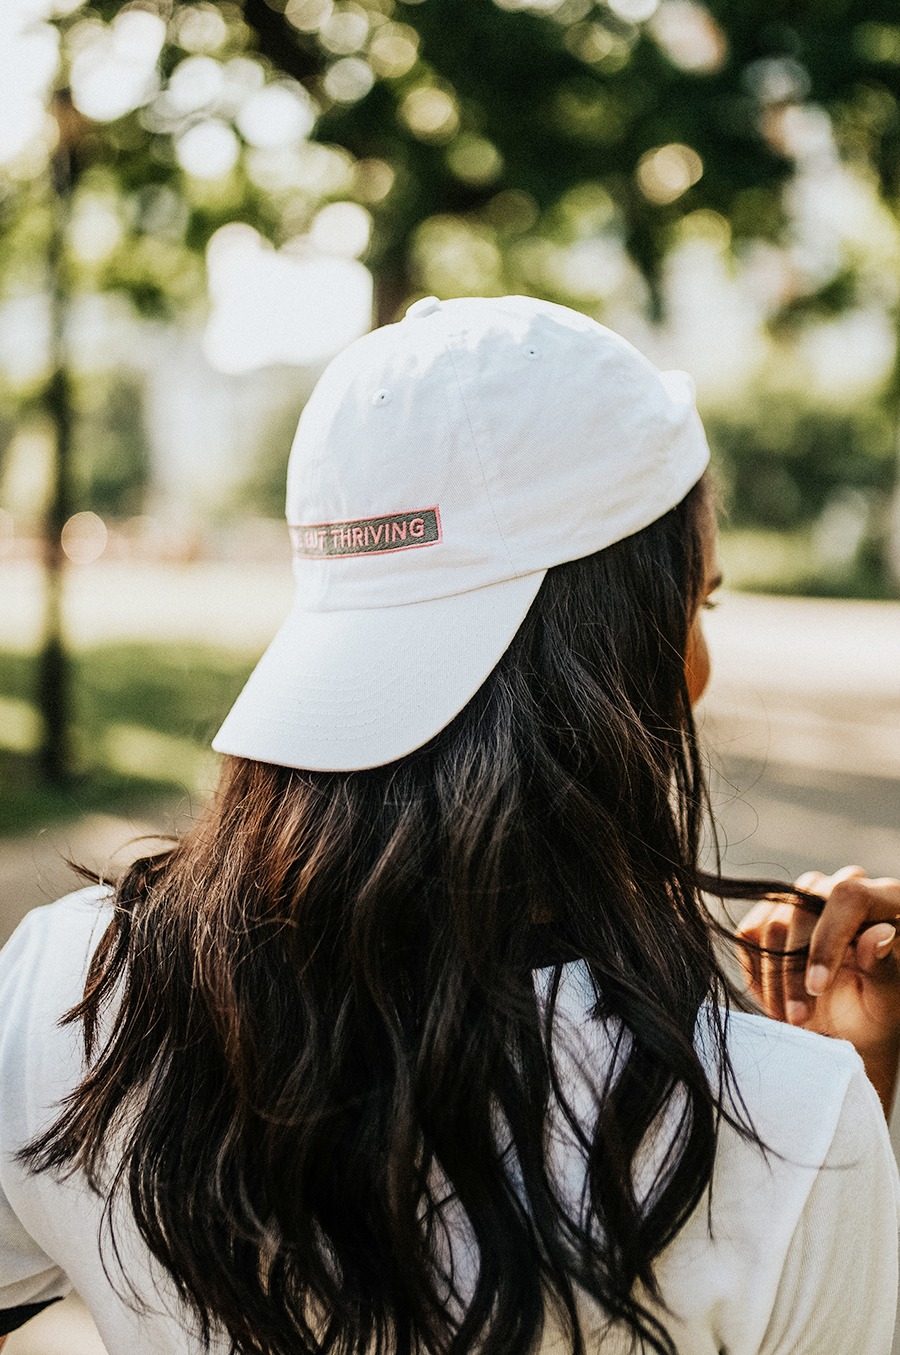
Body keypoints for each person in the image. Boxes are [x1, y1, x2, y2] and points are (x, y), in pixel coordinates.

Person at [1, 294, 899, 1355]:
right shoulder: (780, 1124)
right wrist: (841, 1111)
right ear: (626, 647)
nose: (701, 662)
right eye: (700, 603)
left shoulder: (73, 989)